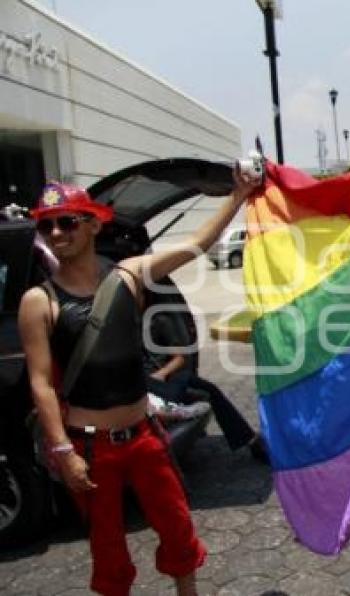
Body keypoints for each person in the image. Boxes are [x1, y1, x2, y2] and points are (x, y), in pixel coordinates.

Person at [17, 172, 258, 596]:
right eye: (46, 224)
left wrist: (238, 195)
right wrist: (62, 452)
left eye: (67, 221)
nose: (56, 232)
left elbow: (196, 244)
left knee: (178, 528)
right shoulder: (40, 301)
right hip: (90, 447)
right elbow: (41, 385)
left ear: (93, 223)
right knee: (107, 550)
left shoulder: (128, 275)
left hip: (145, 436)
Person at [143, 306, 268, 462]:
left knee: (209, 390)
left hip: (163, 380)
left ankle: (249, 439)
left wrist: (161, 374)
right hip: (142, 386)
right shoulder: (120, 329)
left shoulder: (158, 322)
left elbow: (179, 358)